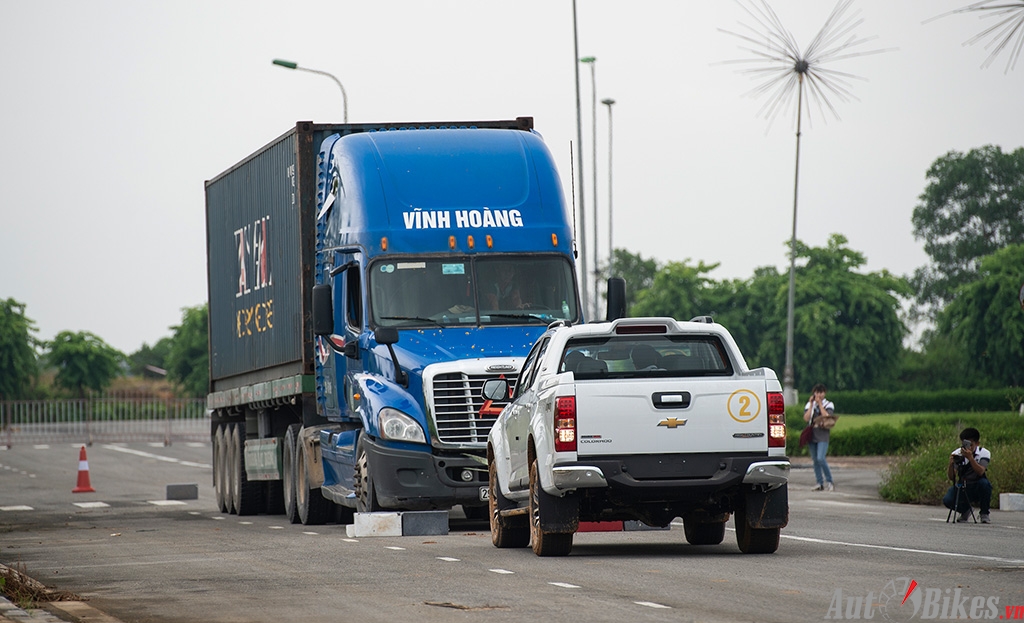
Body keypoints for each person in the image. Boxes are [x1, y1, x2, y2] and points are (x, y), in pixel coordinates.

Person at [943, 427, 992, 524]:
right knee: (947, 499)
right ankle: (965, 510)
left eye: (971, 445)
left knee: (985, 484)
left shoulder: (984, 453)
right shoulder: (958, 453)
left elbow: (980, 471)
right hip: (964, 485)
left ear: (977, 443)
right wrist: (951, 465)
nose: (968, 447)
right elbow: (952, 477)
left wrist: (970, 458)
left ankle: (984, 513)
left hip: (977, 485)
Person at [803, 383, 835, 492]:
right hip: (812, 433)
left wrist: (820, 404)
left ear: (824, 393)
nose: (818, 395)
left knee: (821, 458)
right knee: (815, 460)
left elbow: (827, 416)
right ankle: (819, 482)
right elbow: (806, 419)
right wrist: (812, 404)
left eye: (821, 392)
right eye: (817, 392)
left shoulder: (829, 404)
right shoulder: (809, 405)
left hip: (823, 433)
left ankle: (830, 481)